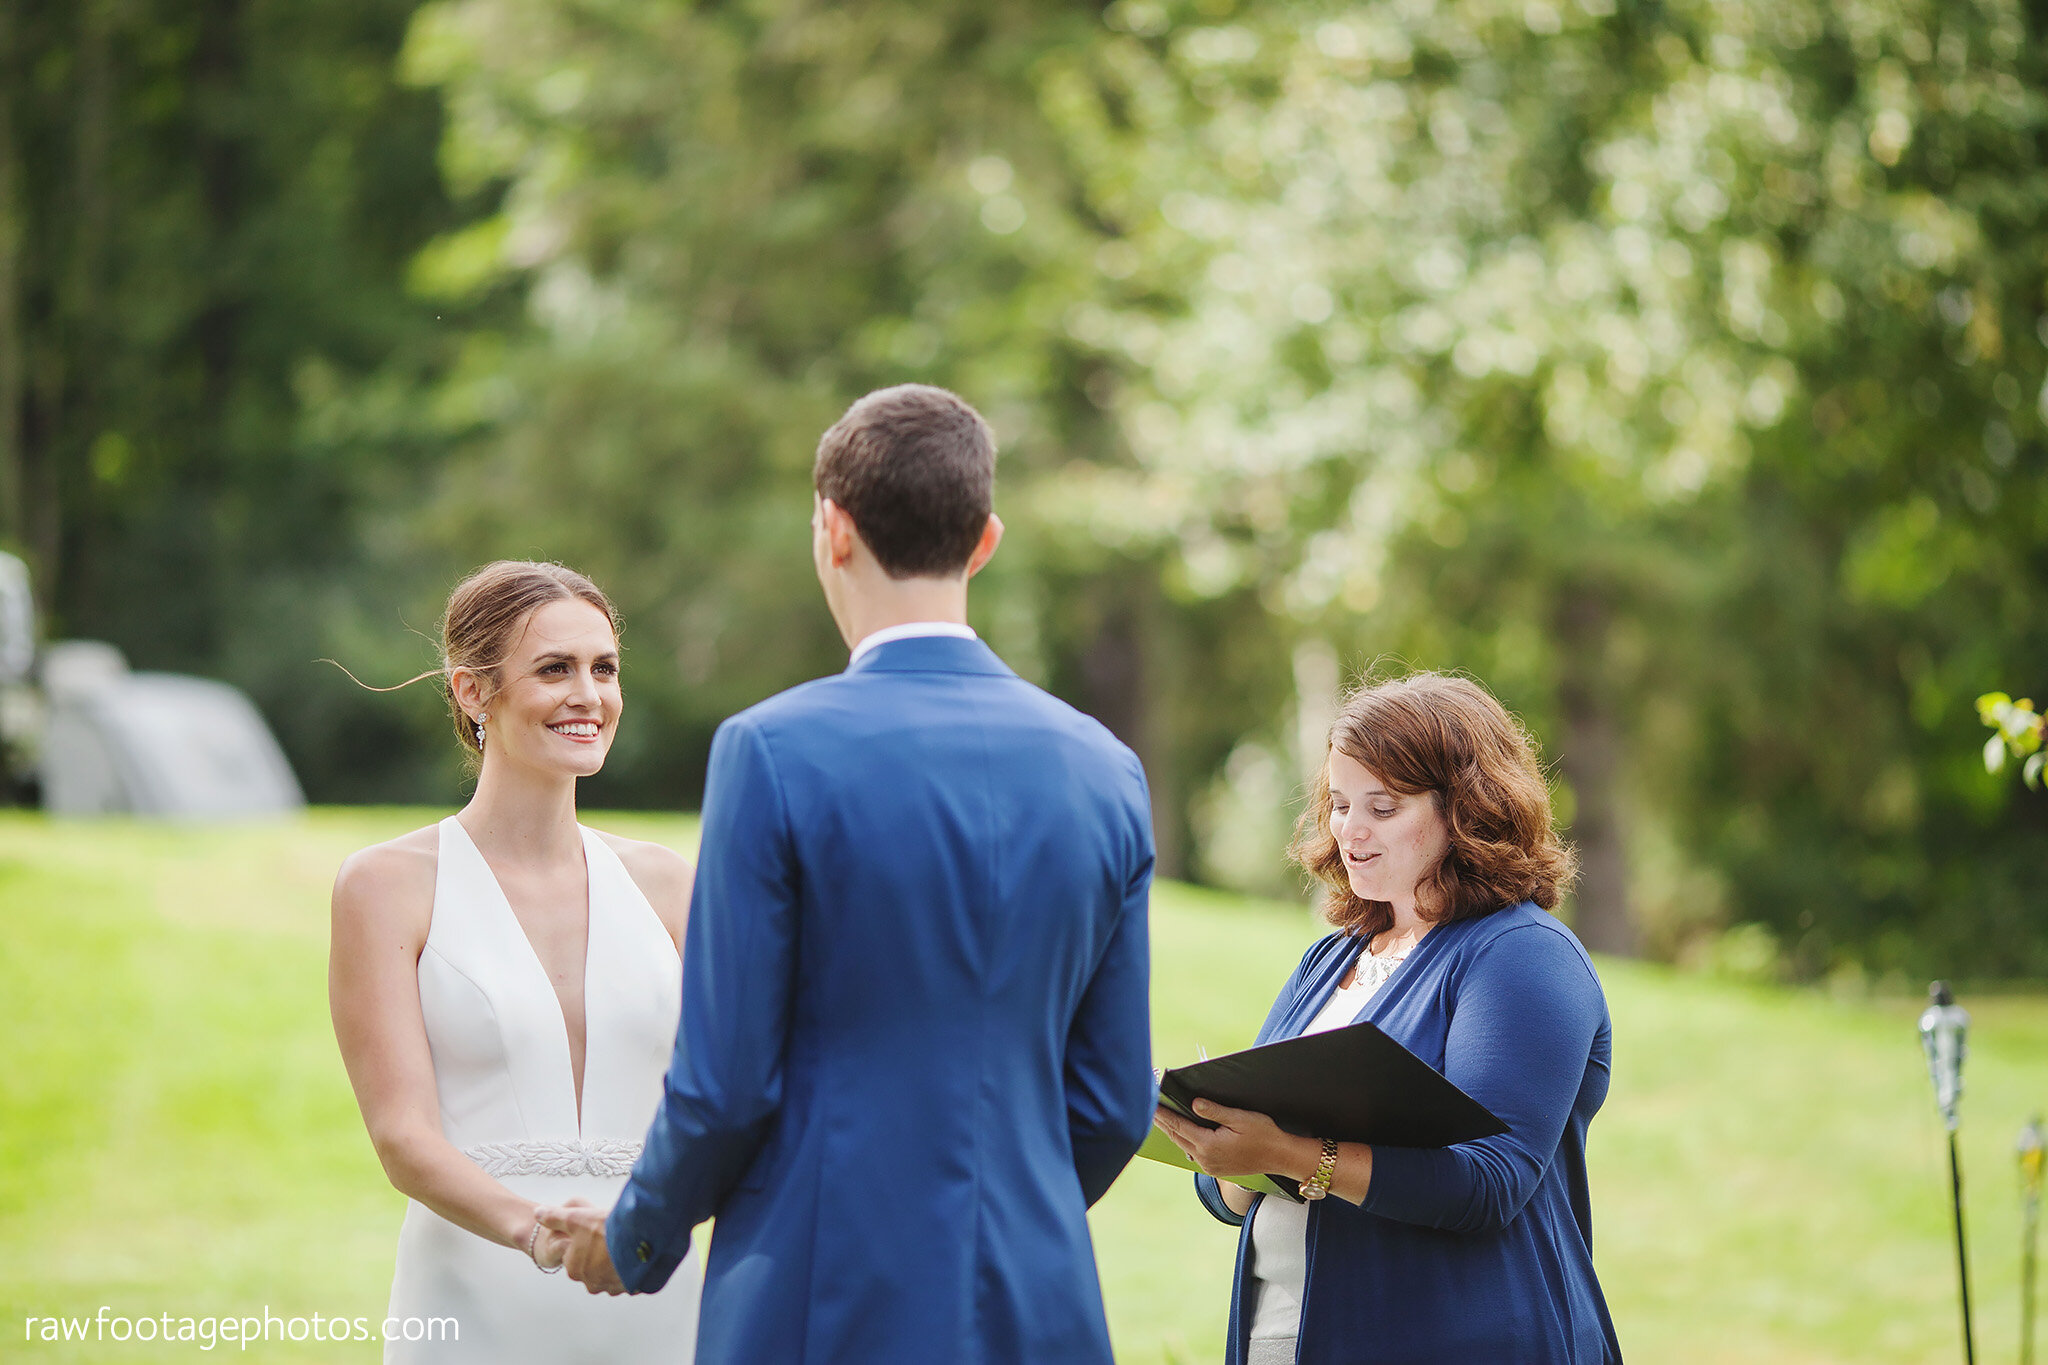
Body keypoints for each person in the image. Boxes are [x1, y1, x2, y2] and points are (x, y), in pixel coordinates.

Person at [540, 383, 1158, 1364]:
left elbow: (726, 1084)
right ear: (984, 540)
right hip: (1036, 1302)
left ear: (831, 530)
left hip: (822, 1291)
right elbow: (1114, 1098)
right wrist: (996, 1211)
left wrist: (634, 1235)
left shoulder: (774, 751)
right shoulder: (1104, 768)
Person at [1154, 672, 1621, 1365]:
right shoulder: (1331, 958)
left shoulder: (1521, 954)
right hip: (1285, 1333)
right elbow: (1235, 1188)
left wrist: (1284, 1154)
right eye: (1340, 803)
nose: (1350, 830)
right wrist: (1219, 1151)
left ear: (1467, 808)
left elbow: (1489, 1181)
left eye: (1384, 806)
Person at [329, 561, 702, 1363]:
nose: (589, 695)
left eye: (604, 668)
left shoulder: (670, 884)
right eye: (555, 668)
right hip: (474, 1298)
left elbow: (725, 1094)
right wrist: (542, 1237)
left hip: (654, 1297)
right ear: (472, 691)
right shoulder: (386, 886)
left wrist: (648, 1228)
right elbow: (401, 1136)